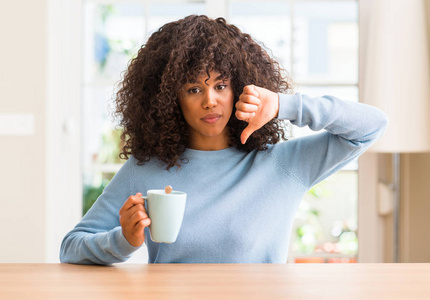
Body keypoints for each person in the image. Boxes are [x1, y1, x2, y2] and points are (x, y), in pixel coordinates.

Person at [60, 15, 388, 264]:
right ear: (169, 99)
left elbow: (371, 125)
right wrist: (124, 241)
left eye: (220, 85)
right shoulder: (147, 171)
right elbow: (71, 247)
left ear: (240, 88)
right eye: (193, 89)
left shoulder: (283, 165)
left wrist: (283, 105)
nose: (209, 101)